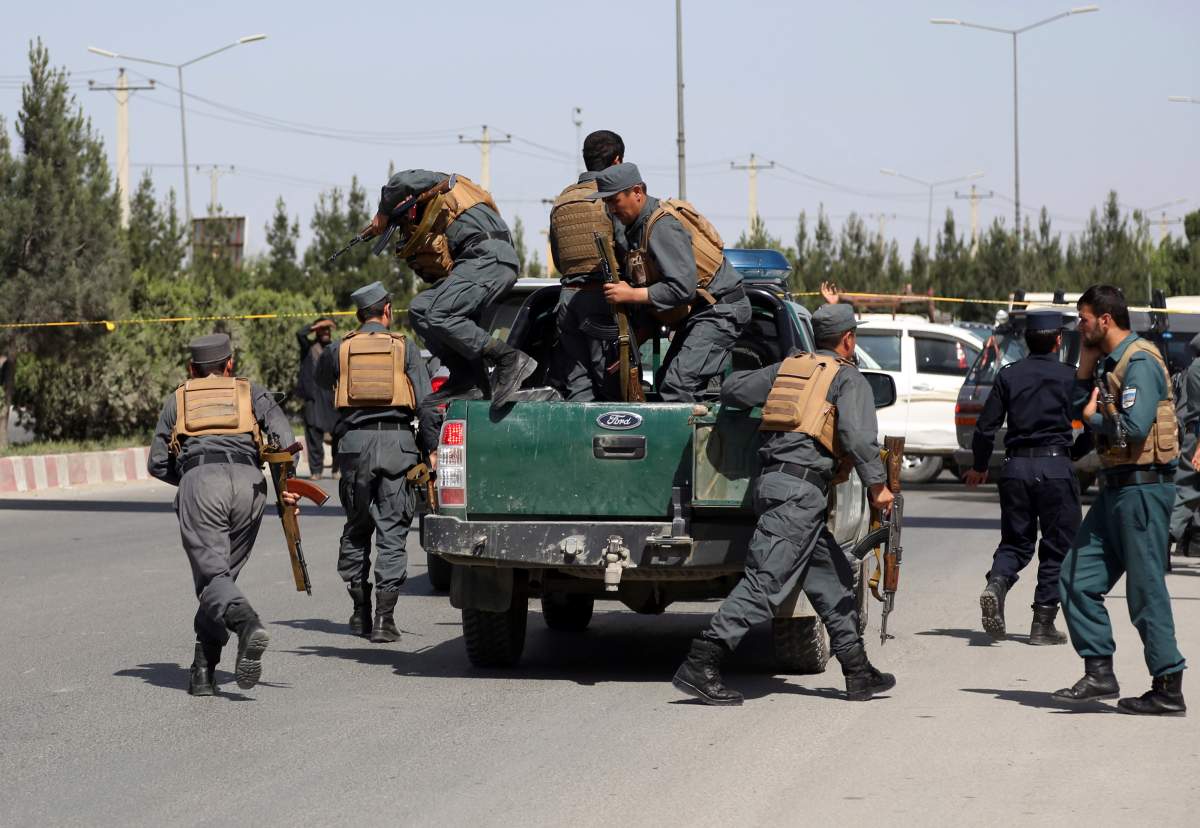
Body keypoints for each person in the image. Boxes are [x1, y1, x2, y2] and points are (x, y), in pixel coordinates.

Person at [672, 303, 896, 705]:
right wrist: (877, 487)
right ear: (848, 340)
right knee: (765, 582)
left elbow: (732, 390)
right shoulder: (847, 378)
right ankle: (701, 661)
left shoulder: (789, 369)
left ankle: (857, 670)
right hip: (799, 494)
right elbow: (859, 439)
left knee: (833, 579)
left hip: (777, 485)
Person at [1054, 285, 1187, 716]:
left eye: (1084, 319)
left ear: (1105, 320)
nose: (1080, 326)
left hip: (1144, 489)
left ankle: (1168, 685)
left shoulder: (1141, 361)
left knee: (1145, 589)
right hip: (1116, 488)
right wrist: (1085, 364)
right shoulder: (1108, 361)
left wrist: (1093, 416)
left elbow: (1131, 428)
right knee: (1076, 576)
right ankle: (1099, 673)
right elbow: (1074, 406)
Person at [147, 333, 299, 696]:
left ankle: (246, 625)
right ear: (230, 365)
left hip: (201, 482)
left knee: (213, 578)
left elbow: (156, 463)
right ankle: (203, 670)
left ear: (191, 368)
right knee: (222, 577)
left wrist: (189, 479)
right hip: (250, 485)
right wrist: (284, 487)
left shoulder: (179, 397)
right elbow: (285, 439)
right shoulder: (251, 391)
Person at [316, 281, 433, 643]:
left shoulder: (339, 349)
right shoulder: (404, 348)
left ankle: (358, 612)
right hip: (398, 445)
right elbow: (426, 404)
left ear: (358, 315)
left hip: (353, 447)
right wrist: (431, 448)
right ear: (387, 311)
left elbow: (322, 385)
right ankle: (384, 619)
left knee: (356, 527)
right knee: (393, 533)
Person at [362, 170, 535, 413]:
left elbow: (400, 182)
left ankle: (508, 358)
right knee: (421, 308)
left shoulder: (441, 186)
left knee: (440, 313)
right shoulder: (444, 211)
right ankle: (466, 376)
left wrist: (382, 213)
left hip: (489, 257)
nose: (407, 225)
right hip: (473, 261)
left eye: (403, 220)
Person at [964, 310, 1080, 645]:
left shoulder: (1009, 375)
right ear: (1058, 340)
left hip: (1016, 468)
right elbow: (1088, 421)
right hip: (1056, 468)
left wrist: (981, 465)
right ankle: (1042, 624)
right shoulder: (1068, 376)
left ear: (1027, 340)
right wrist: (1076, 450)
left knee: (1016, 542)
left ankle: (997, 582)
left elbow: (986, 428)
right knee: (1058, 546)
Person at [593, 163, 751, 402]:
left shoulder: (661, 226)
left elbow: (682, 288)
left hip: (720, 310)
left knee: (678, 386)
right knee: (669, 381)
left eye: (614, 200)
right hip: (701, 312)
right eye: (607, 203)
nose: (611, 209)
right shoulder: (637, 229)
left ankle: (696, 440)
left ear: (637, 192)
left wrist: (631, 295)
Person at [547, 130, 627, 401]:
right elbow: (626, 249)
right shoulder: (611, 197)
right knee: (611, 384)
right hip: (604, 297)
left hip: (568, 299)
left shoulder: (563, 199)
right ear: (617, 162)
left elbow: (559, 258)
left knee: (577, 386)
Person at [295, 317, 339, 478]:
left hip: (332, 396)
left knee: (338, 433)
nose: (326, 332)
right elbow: (300, 334)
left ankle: (337, 468)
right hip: (313, 397)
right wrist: (315, 326)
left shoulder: (335, 348)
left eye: (328, 329)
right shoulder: (308, 348)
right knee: (313, 434)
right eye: (322, 329)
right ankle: (316, 470)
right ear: (317, 331)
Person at [1168, 332, 1200, 557]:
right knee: (1188, 489)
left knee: (1187, 489)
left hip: (1193, 435)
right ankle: (1167, 534)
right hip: (1198, 437)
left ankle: (1166, 536)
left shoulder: (1194, 367)